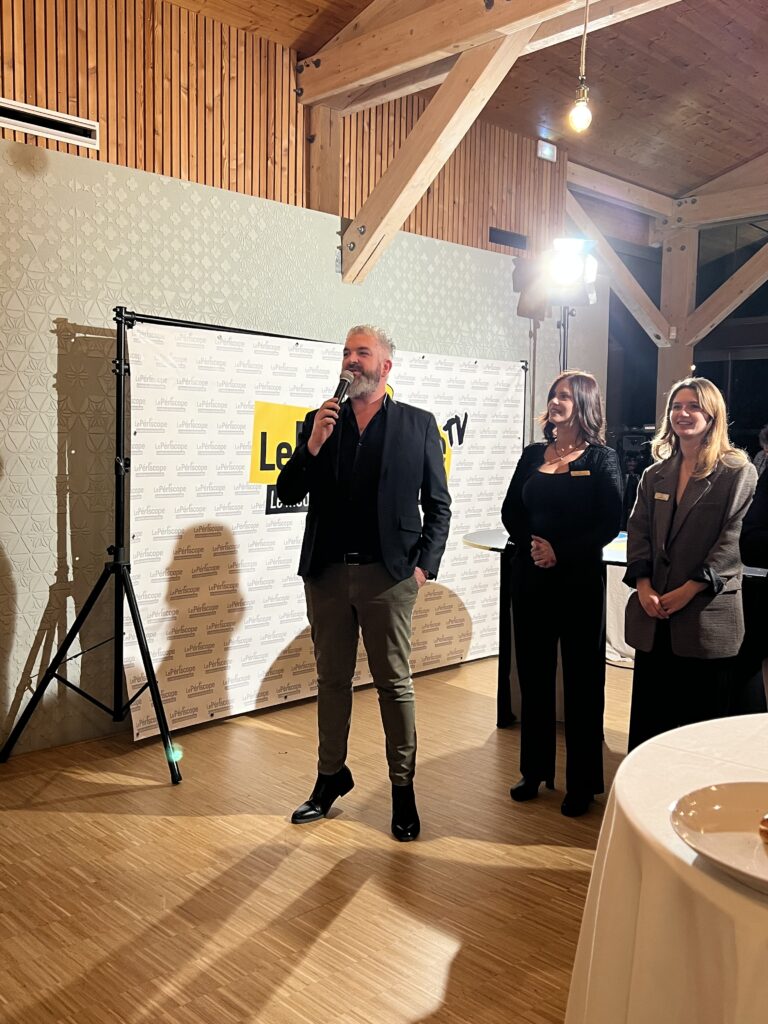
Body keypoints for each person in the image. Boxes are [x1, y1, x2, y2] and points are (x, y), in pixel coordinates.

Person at [276, 325, 451, 841]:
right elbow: (288, 490)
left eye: (363, 352)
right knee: (331, 682)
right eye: (347, 352)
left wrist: (422, 569)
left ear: (385, 366)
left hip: (388, 578)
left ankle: (403, 788)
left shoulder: (419, 425)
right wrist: (312, 445)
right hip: (327, 575)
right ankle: (330, 777)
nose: (352, 360)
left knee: (393, 685)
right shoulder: (321, 420)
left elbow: (438, 506)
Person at [501, 370, 622, 817]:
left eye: (565, 396)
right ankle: (533, 771)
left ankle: (583, 783)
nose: (555, 402)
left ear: (584, 404)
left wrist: (561, 551)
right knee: (533, 678)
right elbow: (511, 510)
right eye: (553, 395)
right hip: (531, 576)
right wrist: (536, 545)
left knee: (582, 683)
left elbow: (609, 521)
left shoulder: (602, 459)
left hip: (577, 581)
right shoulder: (533, 454)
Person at [624, 377, 757, 750]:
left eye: (693, 406)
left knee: (701, 732)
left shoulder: (737, 471)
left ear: (713, 415)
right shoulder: (655, 474)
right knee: (652, 725)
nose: (683, 413)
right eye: (677, 406)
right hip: (655, 617)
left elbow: (734, 539)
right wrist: (644, 586)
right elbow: (638, 532)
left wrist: (689, 589)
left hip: (704, 617)